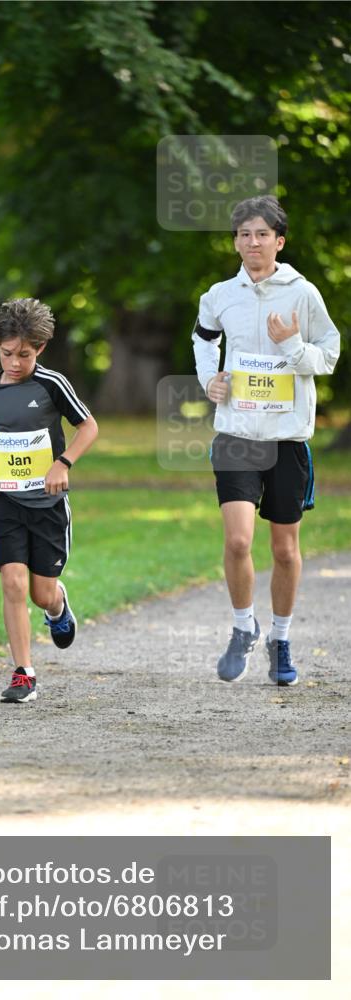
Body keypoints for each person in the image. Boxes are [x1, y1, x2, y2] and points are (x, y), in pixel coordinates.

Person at [193, 195, 340, 686]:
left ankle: (280, 639)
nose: (251, 243)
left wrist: (292, 346)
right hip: (236, 434)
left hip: (286, 438)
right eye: (243, 234)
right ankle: (242, 627)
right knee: (237, 541)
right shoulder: (219, 295)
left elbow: (330, 354)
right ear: (234, 241)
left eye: (261, 234)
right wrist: (208, 380)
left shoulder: (303, 294)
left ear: (279, 240)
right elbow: (204, 337)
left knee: (283, 549)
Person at [0, 297, 98, 703]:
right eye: (7, 353)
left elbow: (88, 426)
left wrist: (63, 463)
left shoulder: (51, 384)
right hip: (5, 501)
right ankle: (24, 673)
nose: (14, 362)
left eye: (24, 355)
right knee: (12, 581)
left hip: (47, 504)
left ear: (39, 349)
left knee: (40, 593)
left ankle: (58, 606)